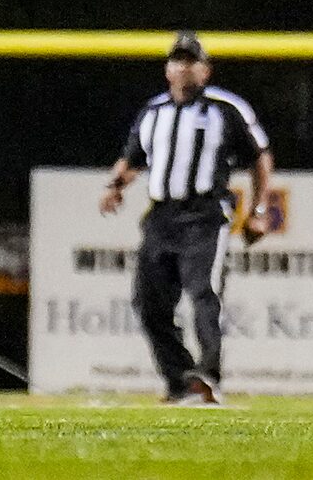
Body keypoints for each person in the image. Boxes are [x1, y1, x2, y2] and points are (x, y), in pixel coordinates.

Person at [99, 31, 274, 406]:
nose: (183, 68)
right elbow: (133, 159)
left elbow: (260, 156)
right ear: (167, 70)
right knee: (148, 302)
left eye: (191, 61)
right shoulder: (153, 113)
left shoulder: (226, 109)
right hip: (162, 215)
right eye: (177, 61)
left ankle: (208, 378)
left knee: (204, 294)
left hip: (206, 215)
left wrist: (259, 210)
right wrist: (115, 186)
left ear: (205, 70)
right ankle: (180, 380)